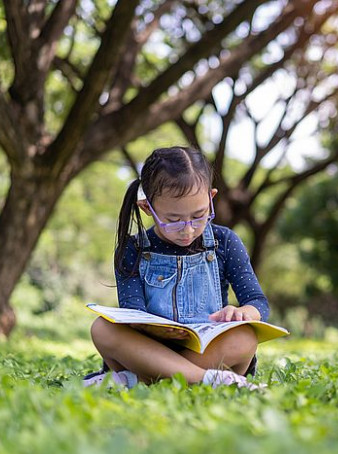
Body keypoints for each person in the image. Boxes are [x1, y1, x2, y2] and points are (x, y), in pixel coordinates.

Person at [83, 147, 269, 390]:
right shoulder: (133, 248)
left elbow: (258, 303)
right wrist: (162, 332)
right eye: (173, 220)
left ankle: (139, 380)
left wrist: (244, 313)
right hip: (149, 351)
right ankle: (208, 379)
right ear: (147, 208)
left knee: (245, 337)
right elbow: (133, 314)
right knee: (102, 328)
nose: (188, 230)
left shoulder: (225, 242)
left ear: (211, 198)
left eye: (200, 215)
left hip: (206, 351)